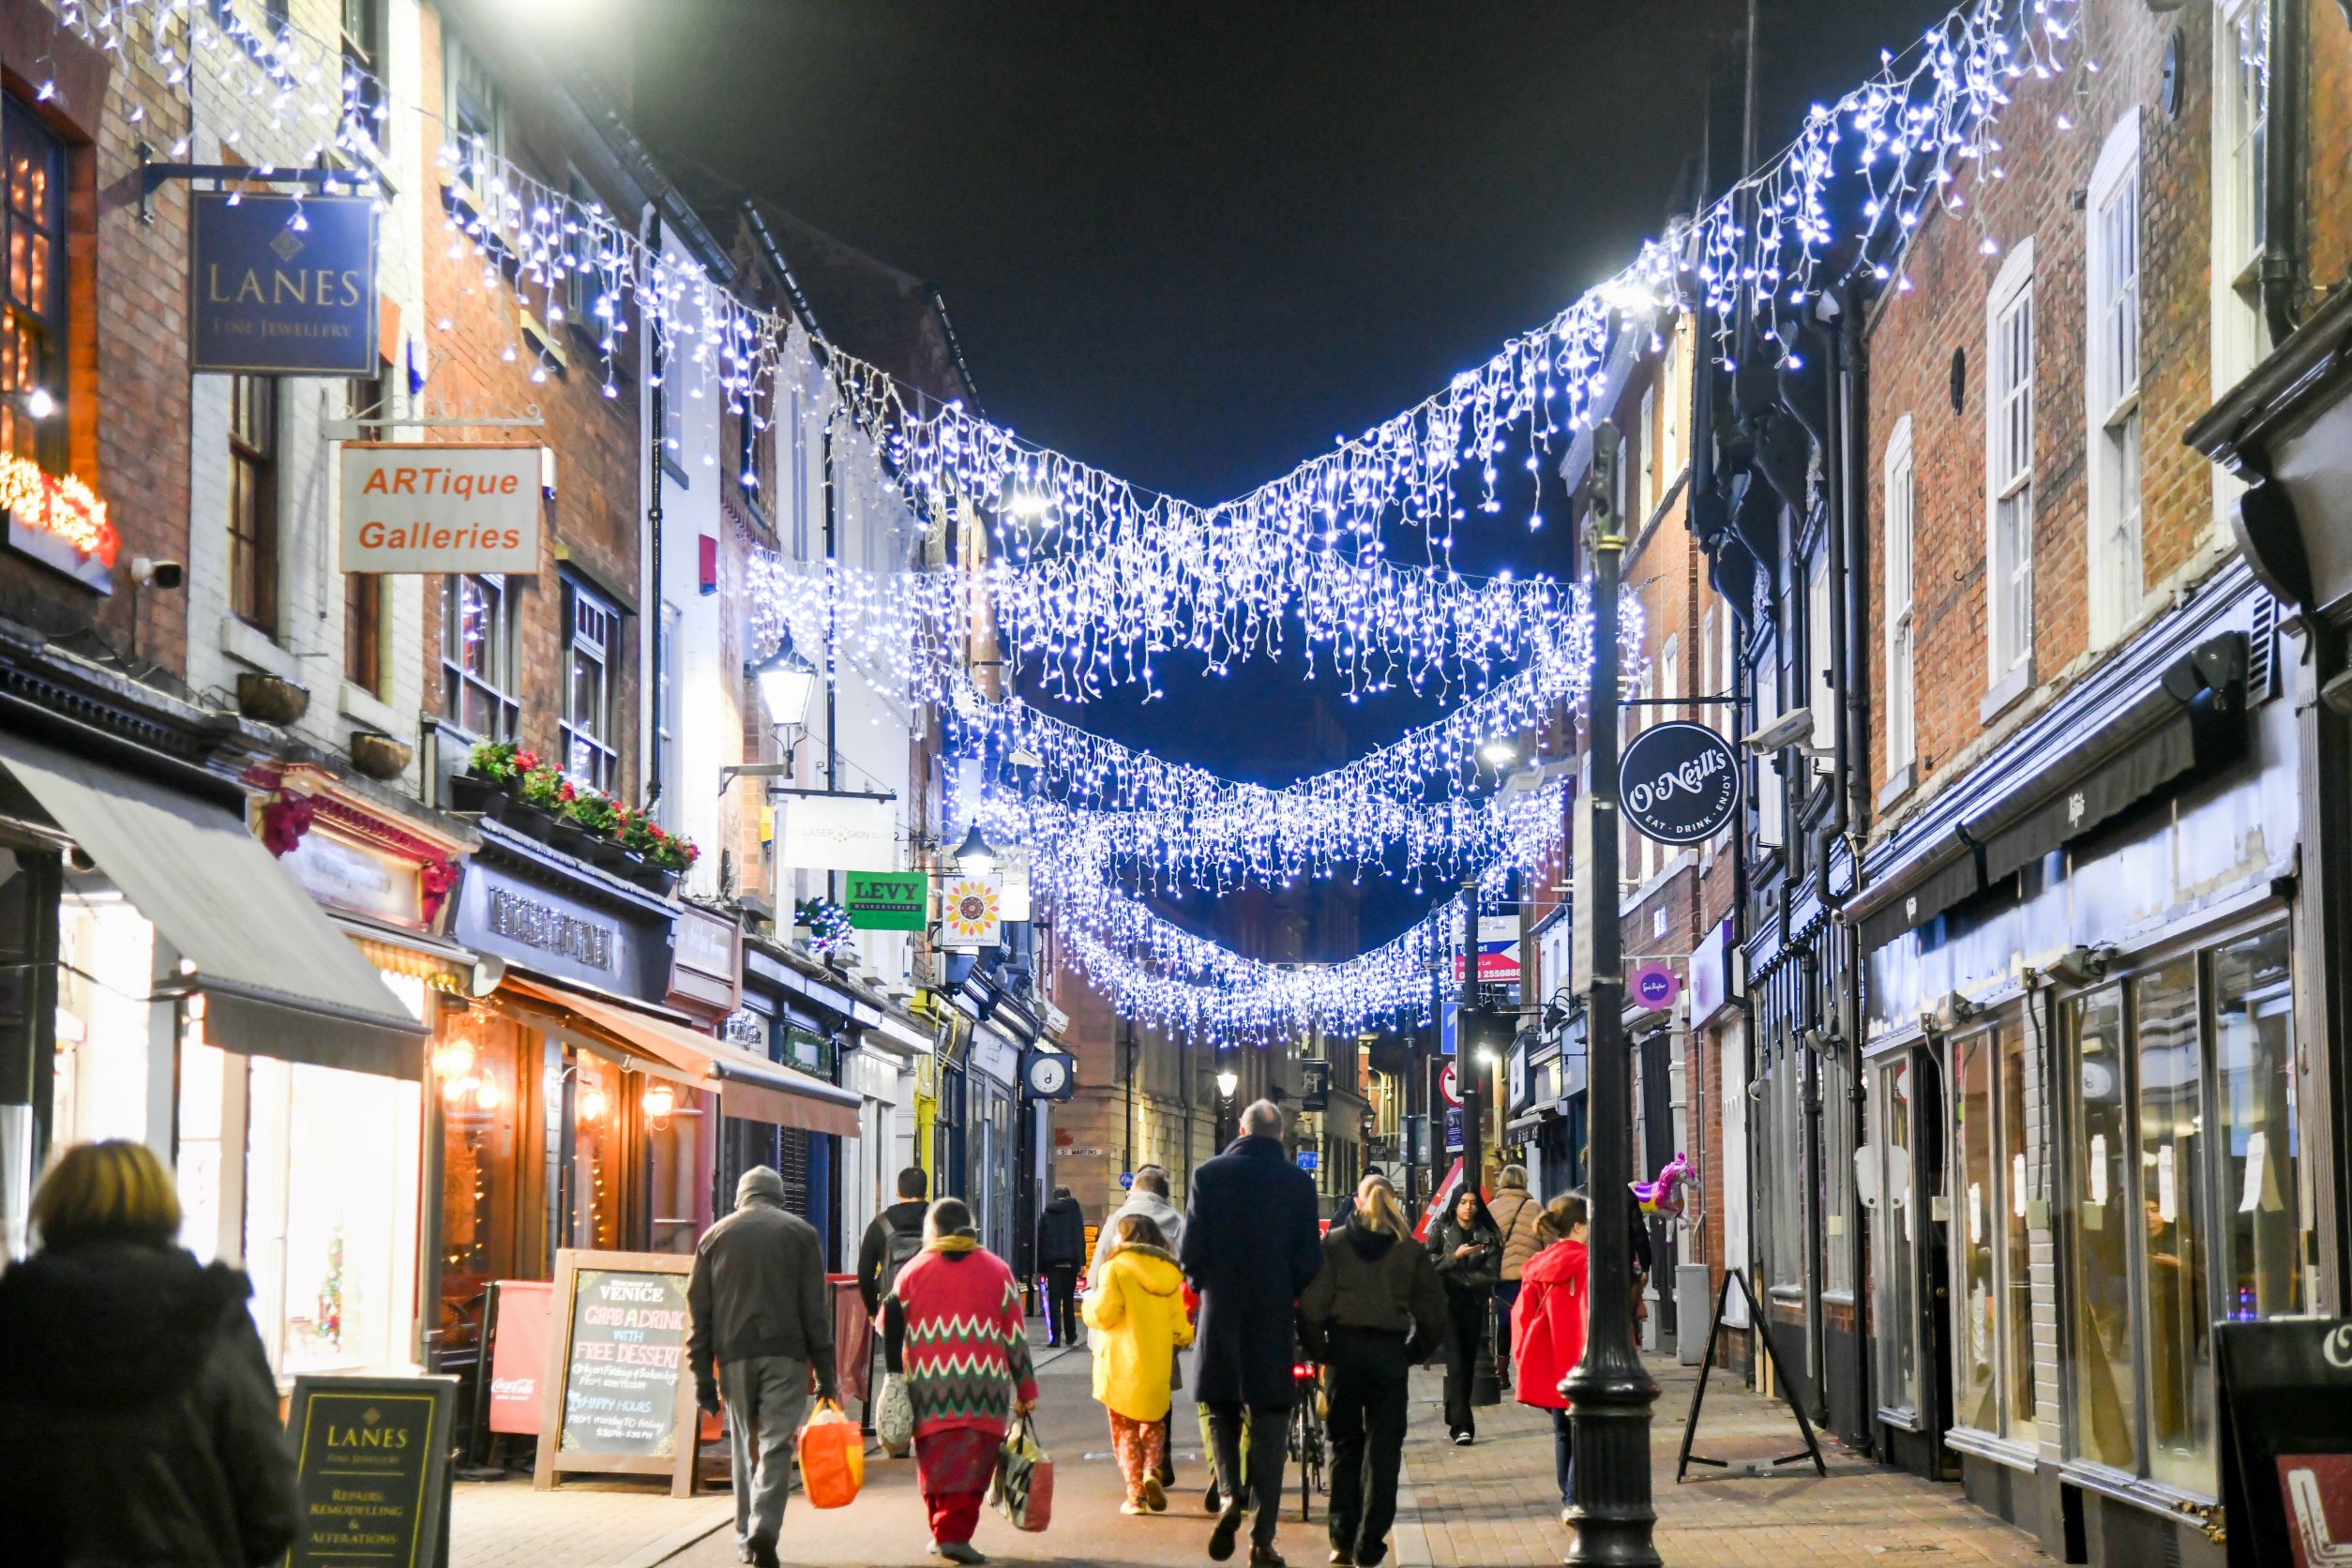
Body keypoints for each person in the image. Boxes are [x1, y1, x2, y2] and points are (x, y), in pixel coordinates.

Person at [0, 1139, 297, 1568]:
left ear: (51, 1206)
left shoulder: (15, 1316)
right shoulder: (210, 1315)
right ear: (163, 1205)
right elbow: (270, 1498)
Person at [1184, 1098, 1323, 1566]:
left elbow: (1191, 1253)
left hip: (1221, 1309)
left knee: (1220, 1407)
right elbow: (1310, 1258)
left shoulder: (1208, 1176)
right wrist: (1284, 1287)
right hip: (1271, 1312)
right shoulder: (1298, 1183)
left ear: (1241, 1128)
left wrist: (1207, 1288)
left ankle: (1227, 1495)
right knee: (1270, 1420)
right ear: (1279, 1135)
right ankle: (1263, 1539)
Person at [688, 1166, 839, 1568]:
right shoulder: (801, 1235)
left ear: (741, 1197)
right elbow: (815, 1311)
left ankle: (743, 1538)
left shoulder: (713, 1237)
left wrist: (703, 1377)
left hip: (734, 1356)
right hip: (786, 1355)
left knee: (742, 1448)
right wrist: (826, 1374)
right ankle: (765, 1525)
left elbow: (699, 1314)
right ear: (779, 1198)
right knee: (776, 1444)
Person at [1298, 1175, 1446, 1568]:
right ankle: (1370, 1542)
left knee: (1345, 1447)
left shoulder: (1333, 1245)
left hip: (1344, 1352)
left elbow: (1312, 1306)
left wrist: (1321, 1350)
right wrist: (1413, 1352)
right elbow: (1433, 1313)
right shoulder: (1408, 1251)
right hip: (1387, 1354)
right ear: (1394, 1202)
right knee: (1384, 1451)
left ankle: (1342, 1540)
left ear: (1358, 1203)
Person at [887, 1197, 1039, 1565]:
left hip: (927, 1390)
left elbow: (887, 1326)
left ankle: (943, 1530)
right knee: (973, 1466)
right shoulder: (999, 1270)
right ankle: (951, 1533)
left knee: (934, 1464)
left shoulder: (911, 1272)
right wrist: (1026, 1389)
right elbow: (1014, 1338)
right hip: (984, 1390)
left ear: (932, 1230)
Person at [1085, 1212, 1195, 1515]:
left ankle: (1135, 1495)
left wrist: (1088, 1305)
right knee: (1153, 1423)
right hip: (1156, 1362)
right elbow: (1181, 1328)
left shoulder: (1115, 1269)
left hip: (1119, 1363)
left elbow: (1105, 1313)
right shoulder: (1170, 1274)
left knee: (1124, 1430)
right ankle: (1151, 1470)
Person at [1512, 1192, 1591, 1525]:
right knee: (1584, 1428)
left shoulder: (1538, 1266)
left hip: (1550, 1359)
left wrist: (1525, 1355)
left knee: (1562, 1431)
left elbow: (1521, 1315)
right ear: (1577, 1226)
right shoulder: (1587, 1262)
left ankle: (1568, 1495)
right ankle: (1575, 1496)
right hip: (1581, 1359)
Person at [859, 1166, 932, 1456]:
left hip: (893, 1312)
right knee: (929, 1371)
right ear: (926, 1191)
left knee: (895, 1374)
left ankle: (897, 1438)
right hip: (933, 1312)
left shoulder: (881, 1224)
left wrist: (871, 1310)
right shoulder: (937, 1220)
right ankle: (929, 1433)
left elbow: (865, 1272)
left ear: (898, 1191)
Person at [1425, 1184, 1501, 1445]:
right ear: (1455, 1205)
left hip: (1473, 1302)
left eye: (1473, 1203)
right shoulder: (1440, 1229)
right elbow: (1428, 1264)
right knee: (1456, 1362)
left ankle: (1453, 1407)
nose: (1468, 1208)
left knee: (1467, 1363)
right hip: (1447, 1303)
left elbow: (1491, 1272)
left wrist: (1463, 1278)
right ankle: (1462, 1425)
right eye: (1463, 1202)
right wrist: (1453, 1257)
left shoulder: (1487, 1234)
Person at [1487, 1165, 1545, 1384]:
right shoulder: (1534, 1207)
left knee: (1505, 1323)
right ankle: (1530, 1372)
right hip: (1530, 1275)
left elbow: (1488, 1242)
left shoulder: (1492, 1208)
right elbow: (1548, 1240)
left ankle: (1501, 1372)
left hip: (1503, 1276)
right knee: (1530, 1322)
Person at [1035, 1184, 1088, 1347]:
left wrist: (1041, 1267)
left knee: (1054, 1300)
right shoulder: (1075, 1213)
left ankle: (1055, 1338)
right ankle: (1071, 1334)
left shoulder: (1046, 1214)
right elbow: (1079, 1237)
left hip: (1052, 1263)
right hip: (1070, 1262)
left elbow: (1041, 1241)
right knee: (1068, 1299)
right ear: (1069, 1195)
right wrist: (1081, 1262)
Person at [1325, 1162, 1385, 1231]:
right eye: (1369, 1182)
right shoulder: (1351, 1201)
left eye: (1377, 1181)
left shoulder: (1388, 1203)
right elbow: (1335, 1227)